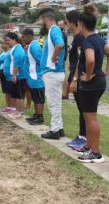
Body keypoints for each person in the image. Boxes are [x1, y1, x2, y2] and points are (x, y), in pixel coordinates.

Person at [76, 5, 109, 163]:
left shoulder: (88, 41)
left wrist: (90, 75)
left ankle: (96, 153)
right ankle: (88, 145)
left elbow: (90, 59)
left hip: (91, 83)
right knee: (87, 116)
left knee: (91, 118)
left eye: (78, 24)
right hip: (99, 81)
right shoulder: (98, 38)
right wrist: (105, 72)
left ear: (82, 25)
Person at [39, 8, 66, 140]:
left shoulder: (54, 29)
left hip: (52, 72)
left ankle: (55, 130)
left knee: (53, 103)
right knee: (56, 102)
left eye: (42, 20)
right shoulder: (54, 30)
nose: (42, 23)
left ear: (46, 19)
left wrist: (54, 57)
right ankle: (59, 128)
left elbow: (59, 44)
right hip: (53, 72)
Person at [64, 10, 86, 149]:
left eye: (67, 22)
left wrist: (74, 79)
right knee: (81, 109)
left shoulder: (79, 38)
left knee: (84, 110)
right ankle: (81, 136)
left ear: (73, 22)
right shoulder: (77, 37)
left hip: (79, 78)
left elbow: (79, 60)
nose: (66, 25)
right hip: (76, 75)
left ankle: (83, 138)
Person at [22, 29, 45, 125]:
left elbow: (40, 60)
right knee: (35, 98)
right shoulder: (31, 45)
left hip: (36, 77)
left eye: (23, 38)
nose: (23, 40)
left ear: (28, 36)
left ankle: (40, 117)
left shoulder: (34, 46)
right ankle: (36, 115)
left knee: (39, 98)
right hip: (32, 77)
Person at [3, 32, 26, 120]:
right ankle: (16, 111)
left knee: (18, 95)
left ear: (14, 40)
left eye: (8, 40)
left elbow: (17, 63)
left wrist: (14, 75)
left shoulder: (18, 49)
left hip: (19, 76)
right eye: (6, 40)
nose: (7, 42)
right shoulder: (14, 48)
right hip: (14, 75)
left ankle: (20, 112)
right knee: (15, 94)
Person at [0, 41, 13, 112]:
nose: (1, 45)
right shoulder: (1, 53)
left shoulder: (10, 52)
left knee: (10, 91)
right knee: (6, 91)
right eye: (1, 43)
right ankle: (8, 106)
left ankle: (12, 106)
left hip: (8, 72)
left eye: (3, 43)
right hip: (2, 72)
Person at [58, 20, 70, 100]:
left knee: (62, 76)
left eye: (61, 25)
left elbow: (62, 47)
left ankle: (64, 93)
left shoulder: (62, 34)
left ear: (64, 26)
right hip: (62, 57)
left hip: (61, 58)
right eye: (58, 25)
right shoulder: (63, 34)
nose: (59, 26)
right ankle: (64, 93)